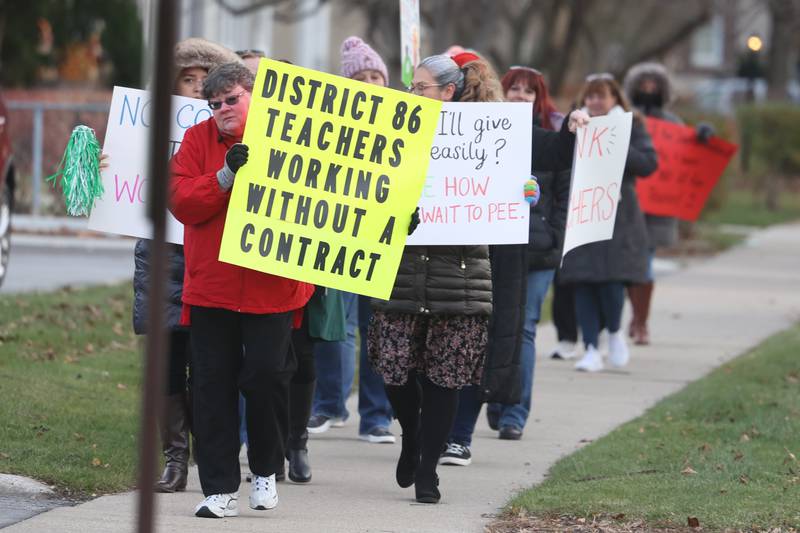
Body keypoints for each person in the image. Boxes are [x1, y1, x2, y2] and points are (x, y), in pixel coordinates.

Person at [170, 62, 315, 518]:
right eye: (214, 104)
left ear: (256, 96)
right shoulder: (198, 142)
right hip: (212, 289)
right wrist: (224, 178)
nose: (222, 111)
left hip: (272, 287)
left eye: (232, 99)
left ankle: (266, 470)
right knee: (212, 387)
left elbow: (333, 198)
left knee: (268, 379)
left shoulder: (294, 138)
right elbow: (180, 200)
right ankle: (218, 488)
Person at [441, 65, 588, 465]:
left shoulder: (510, 132)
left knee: (477, 348)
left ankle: (459, 435)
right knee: (440, 350)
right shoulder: (428, 129)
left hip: (489, 260)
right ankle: (437, 431)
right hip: (436, 262)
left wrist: (571, 127)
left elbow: (555, 153)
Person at [131, 37, 241, 494]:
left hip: (212, 260)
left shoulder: (231, 135)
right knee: (167, 365)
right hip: (162, 259)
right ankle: (175, 459)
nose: (196, 89)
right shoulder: (144, 128)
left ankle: (214, 453)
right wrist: (105, 169)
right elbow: (126, 187)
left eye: (204, 82)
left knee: (212, 365)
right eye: (187, 79)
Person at [306, 36, 395, 444]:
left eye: (376, 75)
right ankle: (329, 404)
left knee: (378, 329)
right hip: (337, 233)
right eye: (361, 77)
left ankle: (376, 416)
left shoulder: (403, 127)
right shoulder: (328, 127)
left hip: (384, 237)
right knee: (335, 325)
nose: (370, 83)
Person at [559, 73, 658, 373]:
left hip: (619, 217)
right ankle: (590, 347)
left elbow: (648, 164)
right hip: (583, 212)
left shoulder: (632, 126)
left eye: (601, 96)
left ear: (615, 98)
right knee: (584, 281)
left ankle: (613, 332)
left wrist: (615, 143)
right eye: (590, 97)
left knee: (612, 281)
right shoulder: (576, 125)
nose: (595, 102)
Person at [623, 62, 713, 346]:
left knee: (645, 265)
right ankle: (634, 317)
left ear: (663, 90)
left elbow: (687, 157)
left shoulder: (673, 124)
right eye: (643, 84)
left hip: (657, 208)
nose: (648, 89)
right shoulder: (623, 119)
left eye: (654, 85)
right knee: (627, 265)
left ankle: (640, 322)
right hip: (626, 205)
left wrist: (701, 136)